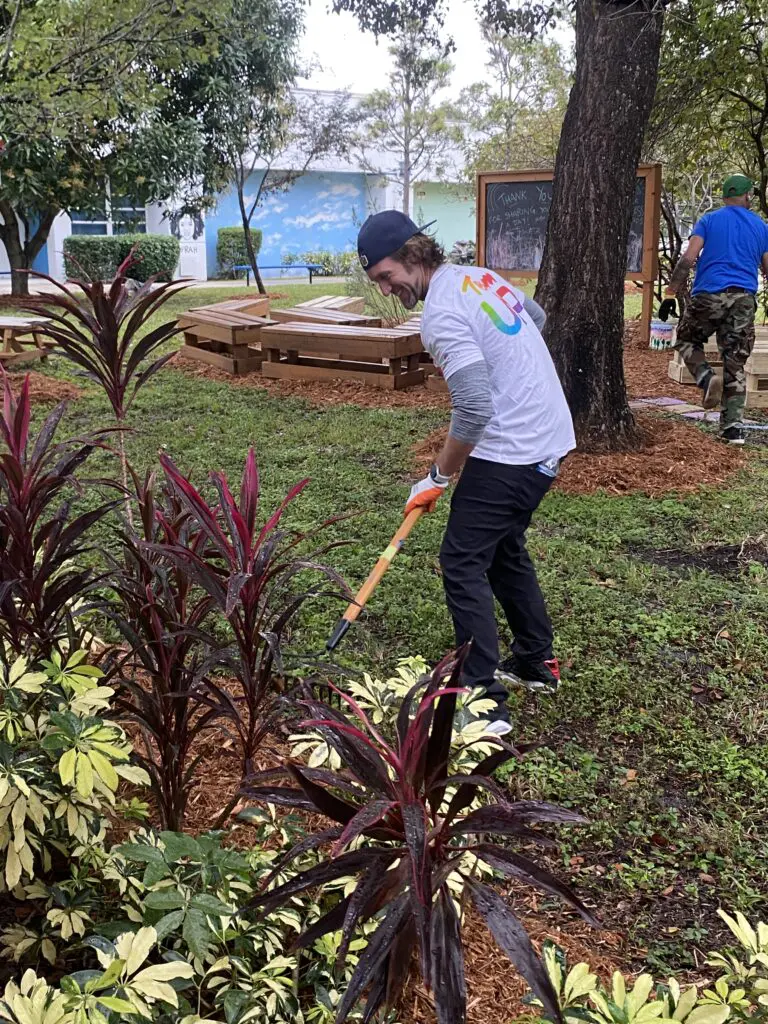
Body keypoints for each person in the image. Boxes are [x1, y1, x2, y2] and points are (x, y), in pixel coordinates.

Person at [357, 210, 575, 735]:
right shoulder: (479, 277)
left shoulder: (441, 315)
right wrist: (512, 372)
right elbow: (536, 318)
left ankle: (482, 704)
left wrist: (437, 476)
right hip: (549, 439)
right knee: (501, 548)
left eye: (387, 277)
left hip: (513, 449)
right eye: (378, 283)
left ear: (413, 254)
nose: (388, 291)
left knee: (460, 561)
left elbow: (474, 408)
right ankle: (536, 661)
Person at [667, 174, 768, 444]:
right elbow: (767, 269)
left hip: (707, 295)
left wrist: (671, 291)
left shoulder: (709, 220)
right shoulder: (761, 226)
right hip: (743, 299)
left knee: (687, 340)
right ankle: (732, 429)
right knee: (735, 362)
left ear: (725, 197)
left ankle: (705, 376)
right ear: (747, 196)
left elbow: (689, 258)